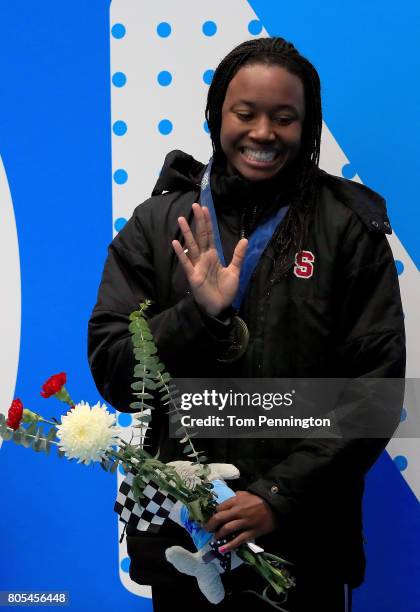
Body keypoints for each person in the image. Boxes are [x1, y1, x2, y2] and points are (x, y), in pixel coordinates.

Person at [88, 37, 405, 611]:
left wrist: (278, 496)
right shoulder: (161, 223)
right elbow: (113, 370)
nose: (263, 133)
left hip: (305, 545)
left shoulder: (347, 228)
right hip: (183, 538)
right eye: (246, 113)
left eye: (285, 118)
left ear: (307, 128)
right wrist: (199, 315)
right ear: (216, 116)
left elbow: (375, 393)